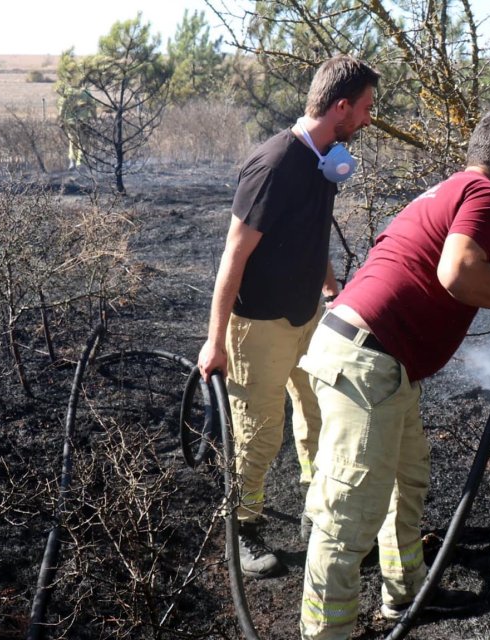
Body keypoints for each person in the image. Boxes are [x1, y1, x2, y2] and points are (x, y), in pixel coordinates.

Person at [296, 108, 490, 639]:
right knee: (349, 516)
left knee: (407, 479)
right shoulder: (487, 196)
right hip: (368, 360)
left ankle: (405, 591)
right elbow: (457, 272)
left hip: (374, 358)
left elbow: (448, 268)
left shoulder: (450, 190)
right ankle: (327, 634)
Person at [197, 55, 379, 579]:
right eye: (365, 108)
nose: (368, 118)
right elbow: (233, 255)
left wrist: (331, 287)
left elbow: (309, 231)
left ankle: (316, 509)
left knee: (318, 417)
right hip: (258, 325)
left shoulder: (325, 159)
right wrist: (216, 342)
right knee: (258, 432)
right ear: (340, 107)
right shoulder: (275, 164)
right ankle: (242, 527)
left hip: (309, 317)